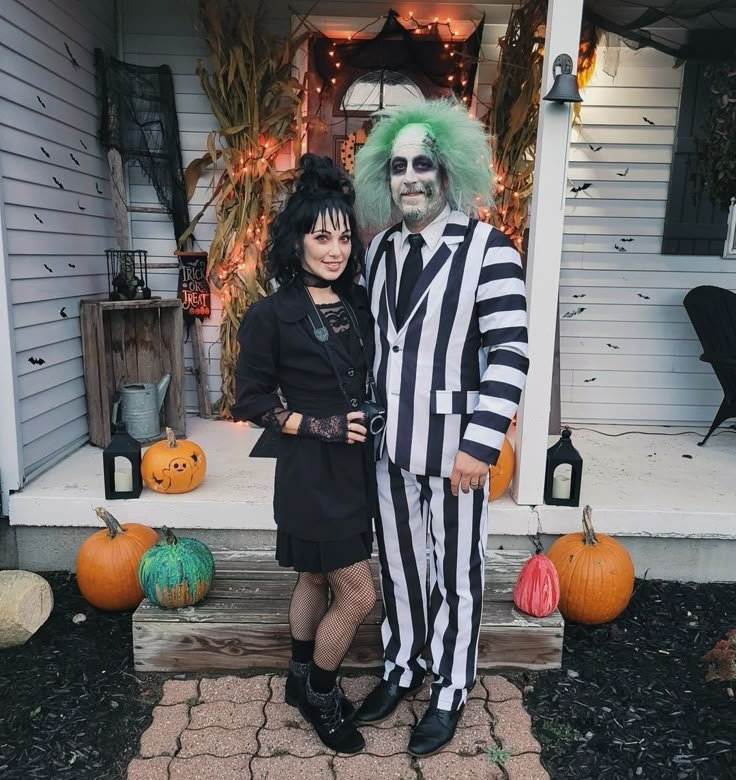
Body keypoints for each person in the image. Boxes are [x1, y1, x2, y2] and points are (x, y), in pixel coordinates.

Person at [352, 99, 530, 756]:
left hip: (458, 451)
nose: (410, 178)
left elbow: (510, 352)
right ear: (384, 177)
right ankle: (403, 665)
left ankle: (452, 684)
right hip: (390, 450)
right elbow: (376, 345)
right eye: (397, 166)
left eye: (423, 163)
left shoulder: (489, 250)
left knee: (455, 571)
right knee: (399, 565)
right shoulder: (380, 253)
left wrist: (481, 446)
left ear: (448, 170)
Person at [232, 154, 377, 754]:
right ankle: (320, 691)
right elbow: (250, 400)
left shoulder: (360, 304)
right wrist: (314, 424)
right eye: (322, 237)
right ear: (296, 242)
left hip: (354, 467)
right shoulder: (270, 314)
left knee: (315, 577)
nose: (335, 249)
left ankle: (297, 680)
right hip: (308, 471)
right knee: (360, 594)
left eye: (344, 237)